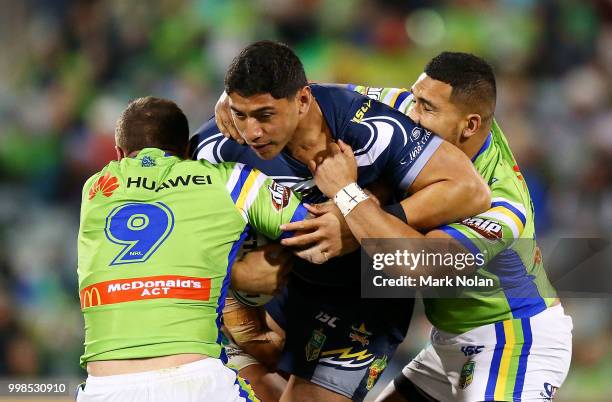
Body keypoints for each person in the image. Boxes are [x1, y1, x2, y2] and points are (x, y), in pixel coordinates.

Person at [191, 41, 490, 402]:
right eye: (241, 114)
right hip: (284, 291)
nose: (251, 131)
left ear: (302, 101)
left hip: (363, 298)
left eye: (266, 115)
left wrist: (355, 215)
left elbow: (469, 190)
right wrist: (234, 271)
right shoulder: (216, 144)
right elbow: (170, 222)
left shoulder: (368, 128)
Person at [308, 52, 573, 402]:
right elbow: (311, 98)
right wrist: (228, 105)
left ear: (470, 125)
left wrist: (345, 193)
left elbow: (415, 266)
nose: (412, 115)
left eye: (427, 108)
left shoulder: (502, 207)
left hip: (513, 342)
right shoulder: (413, 112)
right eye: (415, 99)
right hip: (449, 341)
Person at [76, 96, 307, 401]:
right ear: (187, 150)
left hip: (104, 387)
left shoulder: (94, 190)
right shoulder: (231, 181)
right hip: (196, 382)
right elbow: (314, 229)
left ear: (118, 154)